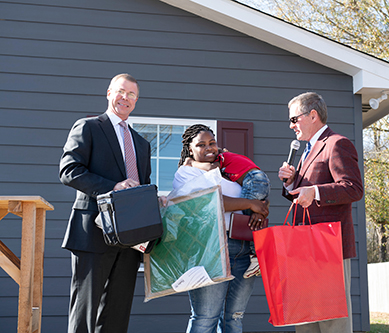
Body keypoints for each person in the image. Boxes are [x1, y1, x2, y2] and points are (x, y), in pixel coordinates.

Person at [59, 73, 151, 332]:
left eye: (132, 94)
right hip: (93, 232)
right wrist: (114, 187)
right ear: (109, 93)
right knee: (85, 314)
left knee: (117, 315)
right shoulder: (88, 127)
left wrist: (155, 198)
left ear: (136, 101)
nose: (126, 98)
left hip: (130, 238)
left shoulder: (142, 144)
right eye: (121, 91)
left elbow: (141, 186)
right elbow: (69, 171)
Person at [278, 92, 364, 333]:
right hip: (303, 247)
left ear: (312, 115)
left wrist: (314, 191)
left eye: (294, 119)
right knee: (305, 319)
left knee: (331, 321)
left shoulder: (337, 143)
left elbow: (353, 188)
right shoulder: (308, 148)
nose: (291, 125)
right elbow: (305, 193)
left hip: (328, 247)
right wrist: (292, 183)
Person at [173, 124, 269, 333]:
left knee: (234, 319)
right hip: (209, 249)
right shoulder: (185, 173)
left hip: (243, 249)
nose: (209, 148)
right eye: (201, 144)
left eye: (212, 143)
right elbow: (207, 201)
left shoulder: (228, 169)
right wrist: (251, 204)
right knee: (205, 318)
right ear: (190, 149)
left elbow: (256, 197)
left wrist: (259, 209)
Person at [184, 149, 270, 278]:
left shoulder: (222, 158)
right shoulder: (234, 158)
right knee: (254, 217)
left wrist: (192, 162)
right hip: (259, 181)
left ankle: (257, 257)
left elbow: (212, 167)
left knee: (250, 223)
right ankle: (259, 255)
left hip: (253, 180)